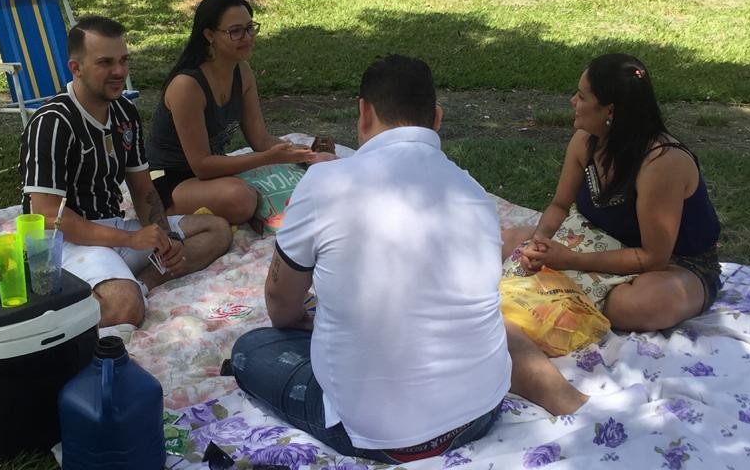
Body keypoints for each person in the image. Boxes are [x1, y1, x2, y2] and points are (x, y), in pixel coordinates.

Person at [230, 55, 589, 464]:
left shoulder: (324, 182)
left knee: (251, 348)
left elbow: (281, 305)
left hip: (375, 433)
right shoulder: (473, 192)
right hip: (479, 413)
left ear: (364, 113)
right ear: (436, 118)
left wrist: (311, 319)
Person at [19, 16, 232, 329]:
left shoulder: (125, 113)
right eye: (105, 62)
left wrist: (167, 237)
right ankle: (115, 291)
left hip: (116, 231)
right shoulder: (52, 122)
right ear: (76, 68)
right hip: (66, 243)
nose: (119, 71)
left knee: (217, 229)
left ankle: (142, 284)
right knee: (124, 307)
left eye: (123, 60)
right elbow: (50, 217)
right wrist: (131, 239)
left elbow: (144, 190)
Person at [505, 53, 722, 332]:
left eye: (582, 97)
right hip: (597, 239)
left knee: (639, 305)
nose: (573, 101)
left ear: (610, 111)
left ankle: (572, 291)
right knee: (502, 243)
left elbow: (653, 257)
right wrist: (541, 241)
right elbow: (559, 205)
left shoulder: (662, 163)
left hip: (672, 263)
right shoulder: (585, 141)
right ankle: (572, 289)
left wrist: (570, 260)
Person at [147, 0, 330, 225]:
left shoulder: (242, 72)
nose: (247, 37)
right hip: (168, 181)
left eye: (250, 28)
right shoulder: (187, 86)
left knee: (324, 164)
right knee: (240, 198)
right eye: (236, 31)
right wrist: (265, 159)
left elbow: (261, 139)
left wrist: (304, 153)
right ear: (209, 35)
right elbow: (202, 165)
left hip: (212, 174)